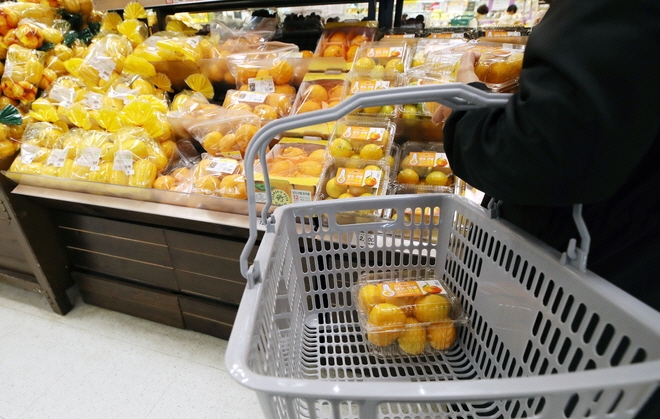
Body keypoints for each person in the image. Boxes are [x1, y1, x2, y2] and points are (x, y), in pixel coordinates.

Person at [434, 1, 660, 415]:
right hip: (622, 255)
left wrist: (469, 108)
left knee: (539, 397)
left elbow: (543, 152)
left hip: (591, 285)